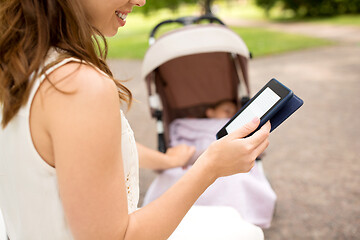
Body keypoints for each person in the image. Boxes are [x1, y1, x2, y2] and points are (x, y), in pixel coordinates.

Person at [0, 0, 271, 239]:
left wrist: (167, 161)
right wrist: (209, 167)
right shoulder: (79, 87)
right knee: (242, 230)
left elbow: (82, 156)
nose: (140, 1)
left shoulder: (17, 64)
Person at [143, 100, 276, 228]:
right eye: (226, 111)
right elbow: (177, 146)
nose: (231, 115)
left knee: (235, 179)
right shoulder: (186, 125)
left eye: (235, 113)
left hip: (223, 160)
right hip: (189, 159)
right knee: (173, 178)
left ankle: (234, 222)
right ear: (210, 112)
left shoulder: (236, 127)